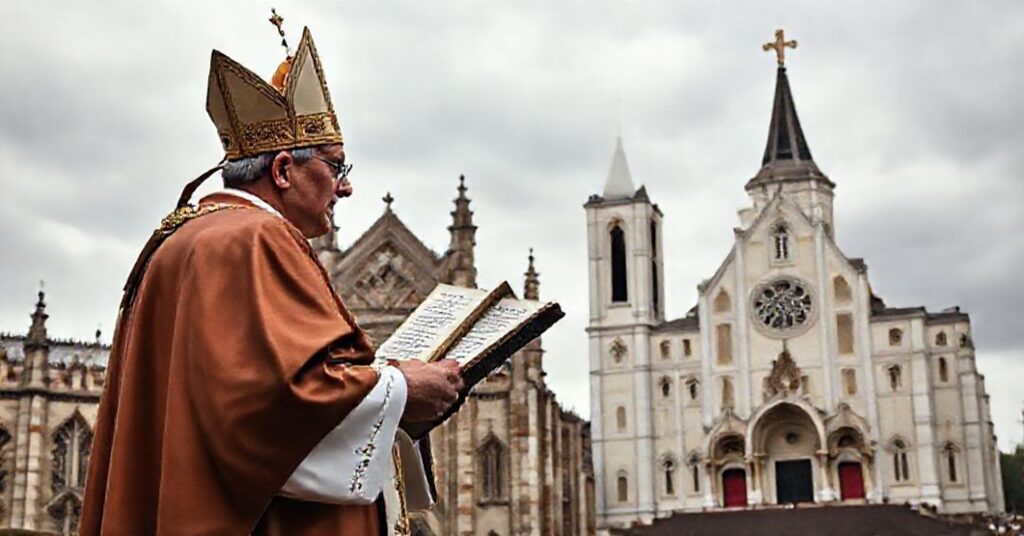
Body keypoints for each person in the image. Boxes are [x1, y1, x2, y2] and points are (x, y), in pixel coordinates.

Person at [80, 24, 462, 535]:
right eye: (336, 166)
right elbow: (271, 403)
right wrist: (403, 387)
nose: (346, 187)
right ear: (283, 170)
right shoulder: (257, 239)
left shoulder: (182, 239)